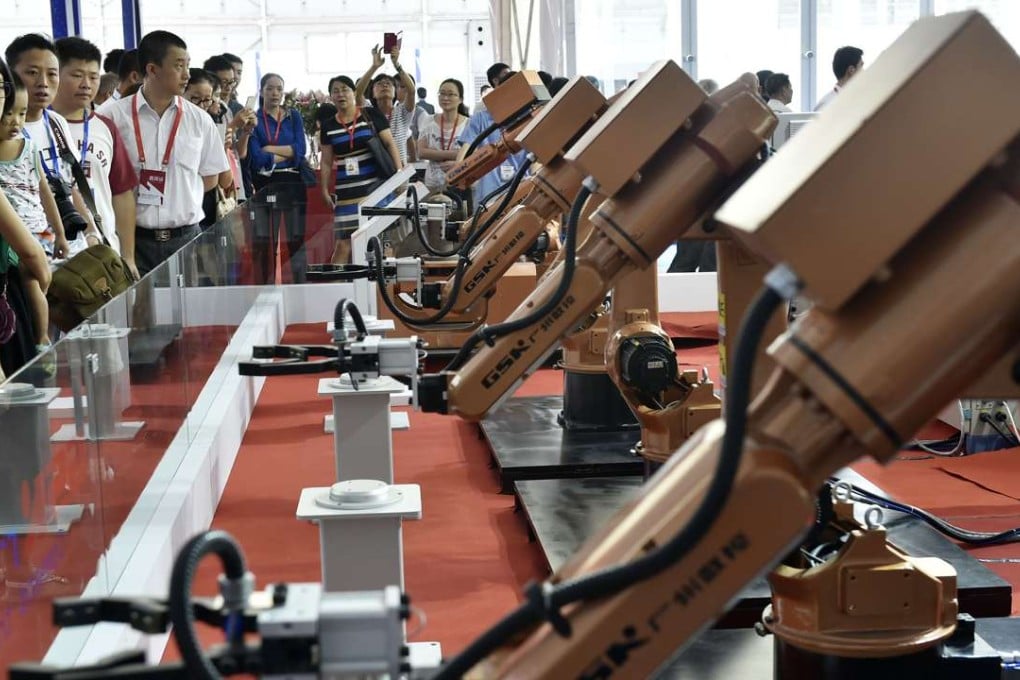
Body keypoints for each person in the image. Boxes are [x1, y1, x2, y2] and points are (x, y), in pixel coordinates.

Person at [102, 30, 229, 276]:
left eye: (188, 65)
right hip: (132, 241)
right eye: (179, 66)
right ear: (152, 69)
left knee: (188, 313)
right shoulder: (113, 117)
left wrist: (176, 195)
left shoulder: (199, 120)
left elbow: (211, 177)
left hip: (186, 239)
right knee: (138, 313)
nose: (187, 75)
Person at [52, 37, 139, 276]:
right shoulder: (38, 128)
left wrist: (128, 257)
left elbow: (122, 194)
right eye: (77, 75)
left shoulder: (105, 127)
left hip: (104, 254)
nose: (87, 84)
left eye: (93, 76)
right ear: (55, 74)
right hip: (55, 257)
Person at [6, 33, 99, 249]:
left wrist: (92, 232)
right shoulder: (7, 132)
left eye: (52, 74)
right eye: (32, 73)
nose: (43, 83)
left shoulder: (56, 122)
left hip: (70, 244)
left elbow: (67, 184)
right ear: (9, 76)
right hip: (26, 250)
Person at [0, 73, 62, 357]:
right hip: (14, 238)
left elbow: (45, 192)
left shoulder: (28, 149)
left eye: (22, 113)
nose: (15, 120)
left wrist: (59, 232)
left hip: (35, 231)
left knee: (31, 279)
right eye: (8, 113)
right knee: (27, 282)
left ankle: (42, 338)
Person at [319, 74, 401, 265]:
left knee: (383, 242)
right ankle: (336, 293)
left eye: (345, 89)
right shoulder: (328, 126)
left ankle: (382, 292)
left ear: (354, 93)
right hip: (347, 193)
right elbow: (325, 161)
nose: (341, 94)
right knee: (343, 245)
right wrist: (323, 189)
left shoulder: (370, 114)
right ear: (330, 97)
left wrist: (399, 175)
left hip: (377, 187)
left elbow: (390, 144)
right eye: (335, 91)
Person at [248, 72, 308, 283]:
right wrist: (287, 153)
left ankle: (300, 288)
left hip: (293, 183)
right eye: (270, 88)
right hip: (265, 184)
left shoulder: (293, 116)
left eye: (279, 89)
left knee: (296, 241)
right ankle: (264, 290)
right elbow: (256, 159)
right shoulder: (254, 120)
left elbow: (301, 150)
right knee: (264, 242)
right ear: (262, 91)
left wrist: (270, 149)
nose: (275, 93)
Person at [457, 62, 526, 209]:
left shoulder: (530, 121)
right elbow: (464, 156)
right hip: (488, 198)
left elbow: (537, 163)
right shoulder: (481, 119)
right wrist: (462, 175)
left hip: (521, 196)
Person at [355, 44, 415, 165]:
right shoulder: (369, 111)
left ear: (395, 92)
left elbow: (412, 91)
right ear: (372, 92)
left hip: (400, 173)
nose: (385, 85)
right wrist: (374, 66)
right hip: (376, 171)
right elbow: (357, 93)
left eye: (389, 83)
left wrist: (397, 64)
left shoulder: (402, 112)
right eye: (379, 84)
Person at [417, 78, 469, 194]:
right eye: (442, 94)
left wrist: (457, 164)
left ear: (460, 99)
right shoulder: (428, 120)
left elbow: (475, 153)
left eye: (451, 94)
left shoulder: (469, 124)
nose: (445, 98)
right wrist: (457, 154)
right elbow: (421, 152)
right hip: (433, 184)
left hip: (460, 182)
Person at [815, 46, 863, 110]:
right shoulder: (827, 105)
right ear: (851, 70)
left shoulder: (857, 99)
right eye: (861, 66)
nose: (864, 71)